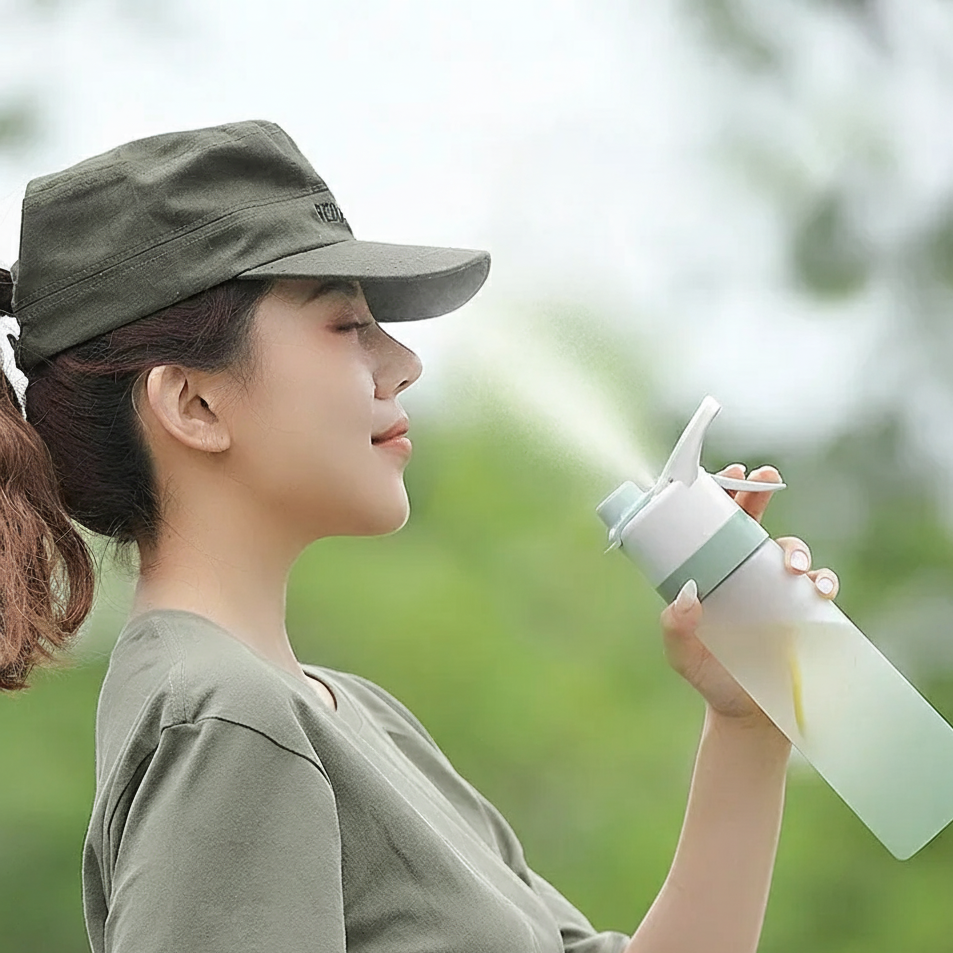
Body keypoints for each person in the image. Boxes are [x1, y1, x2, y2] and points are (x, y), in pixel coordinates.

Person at [0, 119, 839, 953]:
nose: (402, 363)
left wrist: (746, 725)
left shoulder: (353, 717)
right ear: (194, 404)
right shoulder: (226, 720)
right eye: (346, 325)